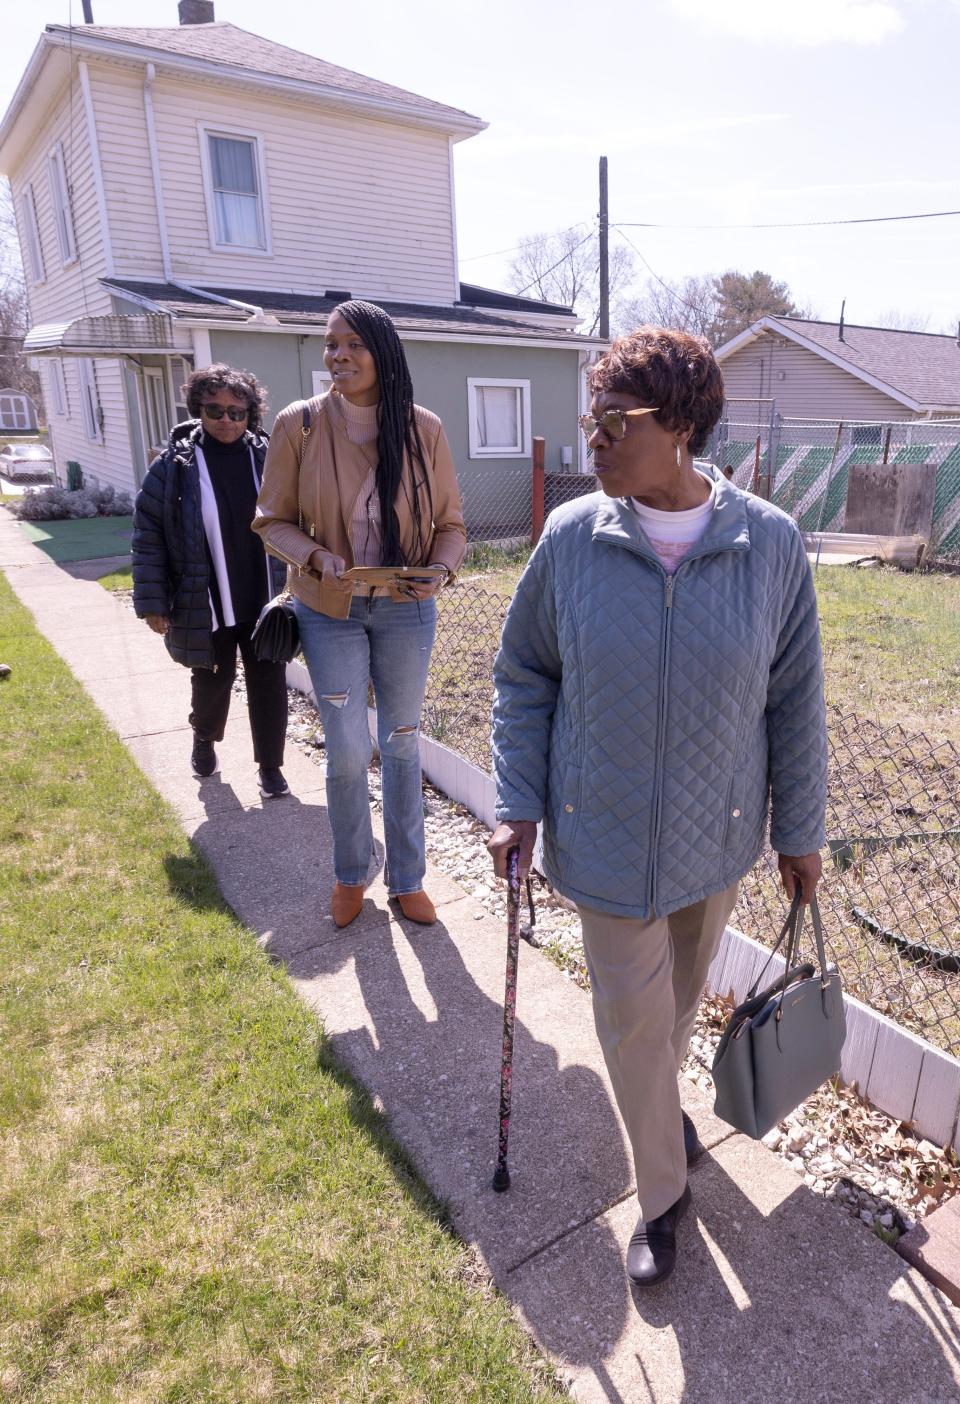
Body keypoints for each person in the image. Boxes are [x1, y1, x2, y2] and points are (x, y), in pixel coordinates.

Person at [488, 327, 827, 1289]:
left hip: (714, 839)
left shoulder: (770, 545)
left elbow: (795, 698)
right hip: (599, 838)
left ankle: (658, 1116)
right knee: (636, 1026)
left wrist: (799, 832)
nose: (594, 438)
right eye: (590, 420)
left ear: (680, 426)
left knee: (672, 1017)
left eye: (613, 422)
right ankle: (662, 1197)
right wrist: (518, 801)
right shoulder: (572, 539)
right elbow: (523, 677)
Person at [253, 300, 466, 929]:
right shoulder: (302, 425)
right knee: (347, 749)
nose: (338, 357)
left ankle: (407, 879)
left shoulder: (422, 429)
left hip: (405, 610)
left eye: (353, 345)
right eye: (330, 346)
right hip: (329, 609)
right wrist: (315, 555)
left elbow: (452, 526)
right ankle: (351, 874)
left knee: (401, 742)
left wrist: (442, 570)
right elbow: (271, 520)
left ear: (382, 352)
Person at [132, 364, 290, 798]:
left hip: (263, 597)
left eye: (237, 412)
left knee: (269, 684)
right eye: (215, 409)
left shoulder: (269, 457)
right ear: (198, 408)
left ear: (251, 415)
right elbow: (148, 536)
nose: (226, 419)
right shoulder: (173, 466)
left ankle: (271, 767)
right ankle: (204, 739)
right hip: (205, 597)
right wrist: (153, 601)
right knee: (212, 680)